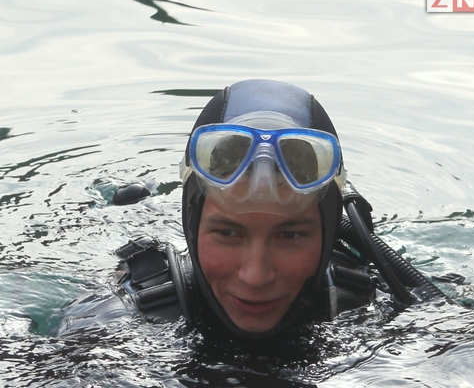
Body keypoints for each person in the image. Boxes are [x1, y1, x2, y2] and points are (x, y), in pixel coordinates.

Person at [62, 79, 442, 339]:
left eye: (290, 235)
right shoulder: (119, 315)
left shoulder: (382, 302)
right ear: (192, 224)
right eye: (228, 233)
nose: (256, 277)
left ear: (328, 230)